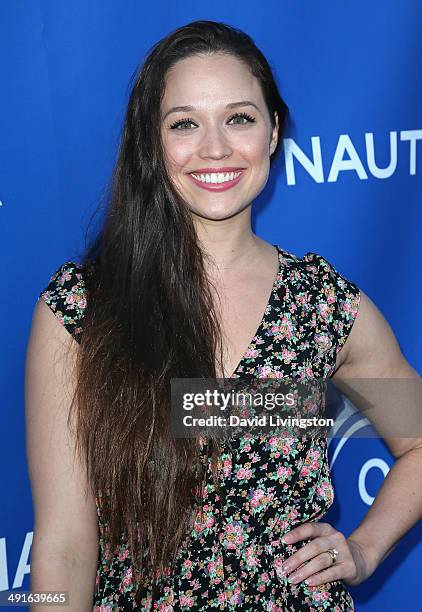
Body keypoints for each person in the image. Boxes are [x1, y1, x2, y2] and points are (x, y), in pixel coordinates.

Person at [25, 19, 422, 612]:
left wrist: (362, 550)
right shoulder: (83, 309)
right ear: (151, 145)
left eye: (239, 118)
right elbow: (62, 548)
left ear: (272, 132)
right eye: (184, 123)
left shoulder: (320, 306)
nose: (214, 148)